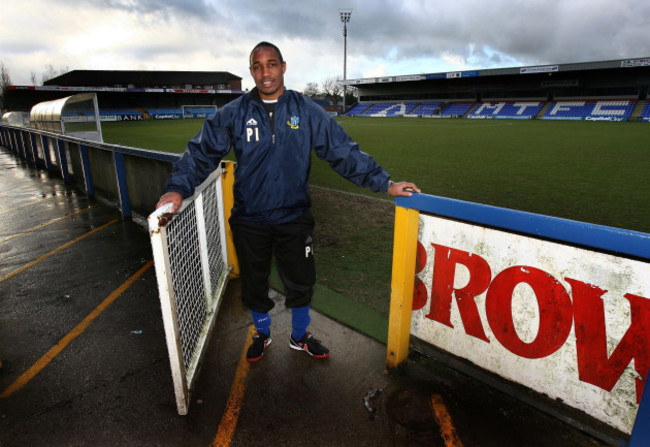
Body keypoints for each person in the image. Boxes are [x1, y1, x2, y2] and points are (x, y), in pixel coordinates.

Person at [156, 41, 420, 363]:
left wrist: (385, 183)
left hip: (293, 216)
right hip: (250, 219)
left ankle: (299, 336)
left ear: (283, 66)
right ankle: (263, 333)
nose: (265, 72)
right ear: (252, 71)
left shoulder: (306, 111)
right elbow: (200, 153)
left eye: (271, 64)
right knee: (254, 286)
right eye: (257, 66)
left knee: (301, 283)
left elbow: (342, 151)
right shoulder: (234, 114)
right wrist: (177, 188)